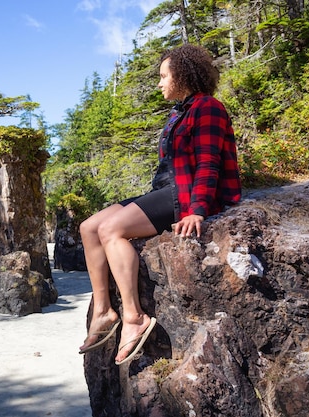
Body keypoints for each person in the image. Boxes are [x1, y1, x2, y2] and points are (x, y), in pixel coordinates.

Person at [77, 44, 241, 365]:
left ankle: (134, 317)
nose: (159, 83)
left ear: (182, 74)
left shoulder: (208, 107)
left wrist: (197, 209)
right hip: (168, 188)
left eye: (164, 76)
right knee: (89, 227)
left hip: (187, 193)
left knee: (112, 230)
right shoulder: (180, 112)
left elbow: (209, 163)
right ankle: (103, 311)